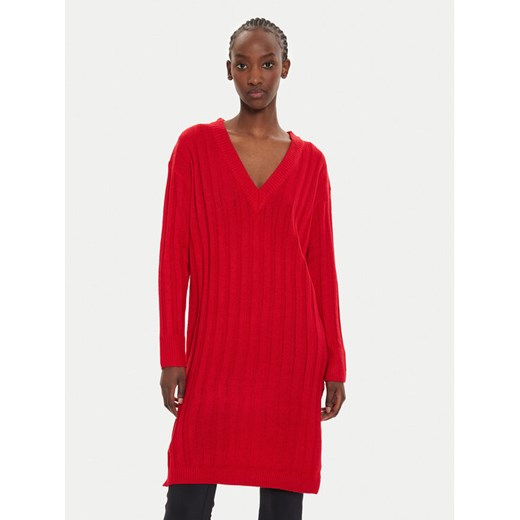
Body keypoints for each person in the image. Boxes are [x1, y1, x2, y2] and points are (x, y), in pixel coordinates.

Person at [158, 17, 347, 520]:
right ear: (228, 70)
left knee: (282, 503)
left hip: (291, 359)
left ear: (286, 68)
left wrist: (336, 362)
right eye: (243, 65)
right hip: (213, 354)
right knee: (188, 498)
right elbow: (173, 257)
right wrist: (172, 353)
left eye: (267, 64)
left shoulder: (311, 163)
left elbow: (322, 270)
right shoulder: (195, 148)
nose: (255, 77)